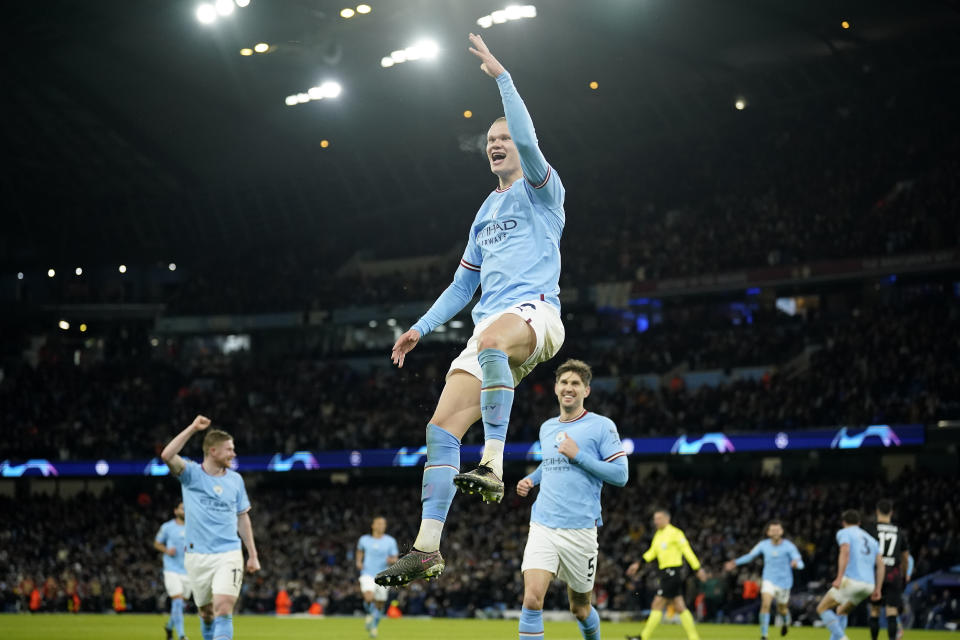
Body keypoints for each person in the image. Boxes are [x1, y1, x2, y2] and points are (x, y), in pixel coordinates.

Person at [376, 32, 566, 587]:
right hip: (491, 331)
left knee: (488, 345)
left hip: (537, 315)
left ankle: (493, 463)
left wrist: (503, 80)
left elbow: (529, 142)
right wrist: (419, 328)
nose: (496, 143)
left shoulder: (542, 191)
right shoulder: (484, 211)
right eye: (490, 139)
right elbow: (463, 287)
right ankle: (428, 548)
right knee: (439, 429)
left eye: (503, 136)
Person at [514, 359, 628, 640]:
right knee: (531, 600)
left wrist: (579, 455)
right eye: (564, 382)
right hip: (543, 525)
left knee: (580, 608)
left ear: (586, 391)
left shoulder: (602, 426)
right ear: (555, 388)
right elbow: (551, 462)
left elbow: (620, 475)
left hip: (580, 530)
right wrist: (533, 479)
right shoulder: (547, 427)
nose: (569, 388)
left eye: (575, 383)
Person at [161, 415, 260, 640]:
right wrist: (193, 428)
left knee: (223, 608)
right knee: (206, 613)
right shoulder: (191, 475)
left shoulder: (236, 480)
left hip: (229, 553)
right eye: (229, 450)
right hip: (197, 556)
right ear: (213, 451)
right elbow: (167, 455)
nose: (233, 454)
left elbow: (243, 518)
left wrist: (252, 554)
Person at [625, 510, 707, 640]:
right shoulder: (658, 534)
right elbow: (652, 552)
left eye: (658, 518)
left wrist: (697, 569)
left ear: (667, 519)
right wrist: (638, 564)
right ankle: (694, 638)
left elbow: (687, 551)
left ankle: (643, 637)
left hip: (673, 572)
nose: (656, 521)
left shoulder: (675, 533)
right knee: (680, 606)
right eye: (655, 519)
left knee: (657, 604)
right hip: (665, 574)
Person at [724, 520, 805, 639]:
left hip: (784, 582)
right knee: (765, 604)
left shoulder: (789, 546)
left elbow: (800, 563)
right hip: (769, 579)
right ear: (768, 533)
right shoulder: (763, 545)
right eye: (773, 530)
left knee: (782, 609)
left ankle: (786, 621)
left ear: (782, 531)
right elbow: (750, 556)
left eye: (778, 530)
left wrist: (796, 564)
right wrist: (735, 562)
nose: (776, 532)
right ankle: (764, 635)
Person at [815, 509, 884, 640]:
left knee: (822, 608)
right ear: (859, 522)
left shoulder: (844, 532)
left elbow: (845, 551)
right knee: (842, 611)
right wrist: (877, 588)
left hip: (852, 581)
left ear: (843, 523)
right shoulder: (871, 539)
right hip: (868, 585)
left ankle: (842, 638)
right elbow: (881, 565)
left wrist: (839, 577)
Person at [865, 500, 910, 640]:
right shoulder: (898, 530)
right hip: (893, 574)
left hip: (875, 573)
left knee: (874, 610)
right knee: (892, 611)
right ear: (891, 512)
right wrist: (905, 573)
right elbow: (905, 557)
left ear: (877, 511)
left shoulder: (870, 529)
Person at [356, 516, 399, 638]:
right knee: (369, 597)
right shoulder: (364, 539)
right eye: (379, 523)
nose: (381, 526)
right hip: (367, 573)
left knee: (380, 604)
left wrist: (391, 560)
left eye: (383, 524)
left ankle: (374, 626)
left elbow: (395, 558)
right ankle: (370, 615)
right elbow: (359, 550)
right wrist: (359, 561)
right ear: (373, 525)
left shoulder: (390, 541)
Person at [155, 501, 191, 640]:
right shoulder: (167, 527)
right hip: (171, 569)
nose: (184, 511)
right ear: (175, 511)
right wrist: (166, 550)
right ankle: (182, 636)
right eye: (182, 508)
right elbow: (157, 543)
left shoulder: (193, 527)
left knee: (180, 604)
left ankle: (169, 627)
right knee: (177, 600)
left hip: (188, 570)